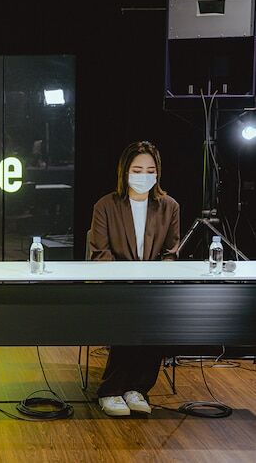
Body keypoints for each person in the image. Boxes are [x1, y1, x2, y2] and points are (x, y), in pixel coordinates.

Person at [89, 141, 180, 416]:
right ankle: (111, 390)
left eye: (150, 171)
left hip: (153, 286)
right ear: (125, 172)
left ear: (158, 173)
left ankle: (137, 388)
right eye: (137, 170)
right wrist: (125, 280)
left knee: (157, 312)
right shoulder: (105, 205)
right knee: (130, 311)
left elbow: (171, 252)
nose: (144, 176)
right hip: (117, 286)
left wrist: (157, 279)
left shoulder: (169, 207)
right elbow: (100, 253)